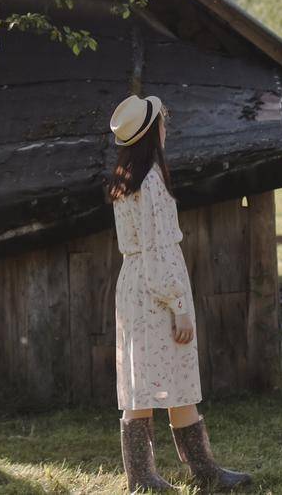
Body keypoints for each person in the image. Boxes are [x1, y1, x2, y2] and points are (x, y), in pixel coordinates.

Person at [108, 93, 253, 493]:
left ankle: (178, 473)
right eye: (163, 122)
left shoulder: (126, 179)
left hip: (135, 286)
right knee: (167, 376)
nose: (166, 127)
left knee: (152, 377)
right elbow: (158, 250)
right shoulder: (150, 182)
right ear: (154, 132)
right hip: (155, 290)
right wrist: (177, 305)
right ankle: (173, 475)